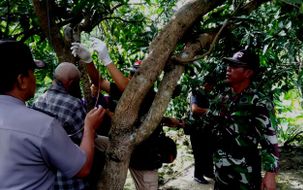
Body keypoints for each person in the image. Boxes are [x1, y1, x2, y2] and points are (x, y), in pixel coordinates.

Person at [71, 38, 184, 190]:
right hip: (123, 147)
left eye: (137, 76)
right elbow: (99, 82)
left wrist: (107, 59)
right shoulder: (126, 91)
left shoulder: (150, 95)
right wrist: (88, 60)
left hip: (145, 159)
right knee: (92, 141)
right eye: (131, 75)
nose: (132, 79)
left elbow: (130, 91)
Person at [0, 40, 105, 189]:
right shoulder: (44, 124)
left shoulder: (38, 102)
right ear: (21, 80)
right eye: (32, 73)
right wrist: (90, 128)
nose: (35, 78)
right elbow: (83, 168)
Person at [207, 49, 280, 190]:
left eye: (234, 66)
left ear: (248, 73)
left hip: (245, 173)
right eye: (229, 65)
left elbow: (270, 140)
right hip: (221, 169)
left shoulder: (259, 102)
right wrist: (179, 123)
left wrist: (270, 174)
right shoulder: (222, 98)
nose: (228, 69)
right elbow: (206, 123)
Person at [32, 62, 93, 189]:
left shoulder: (38, 101)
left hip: (47, 180)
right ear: (70, 83)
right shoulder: (74, 104)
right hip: (71, 181)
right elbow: (86, 140)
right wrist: (92, 126)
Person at [188, 76, 216, 184]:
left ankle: (208, 172)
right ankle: (198, 175)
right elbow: (194, 109)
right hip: (196, 129)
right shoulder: (196, 93)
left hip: (205, 129)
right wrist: (209, 111)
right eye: (210, 86)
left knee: (208, 151)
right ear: (205, 84)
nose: (211, 88)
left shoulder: (207, 95)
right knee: (199, 153)